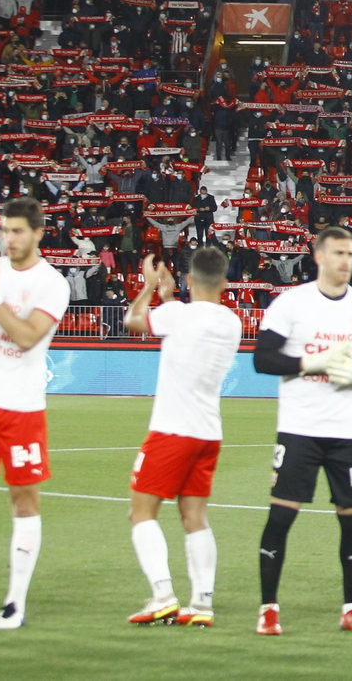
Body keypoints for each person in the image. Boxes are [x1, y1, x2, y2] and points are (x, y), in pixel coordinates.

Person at [251, 225, 352, 637]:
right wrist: (310, 364)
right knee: (281, 516)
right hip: (300, 428)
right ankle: (269, 608)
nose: (346, 261)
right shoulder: (291, 304)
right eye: (337, 253)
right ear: (318, 257)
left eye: (350, 254)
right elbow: (262, 360)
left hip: (348, 431)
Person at [0, 197, 70, 629]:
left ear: (39, 232)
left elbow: (26, 337)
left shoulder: (52, 284)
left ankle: (14, 604)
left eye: (18, 231)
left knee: (23, 500)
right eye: (4, 231)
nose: (9, 239)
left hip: (21, 407)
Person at [122, 248, 241, 627]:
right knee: (195, 517)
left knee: (141, 513)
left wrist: (150, 287)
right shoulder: (231, 321)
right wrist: (169, 299)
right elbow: (183, 325)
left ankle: (162, 596)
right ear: (224, 283)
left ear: (189, 280)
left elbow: (133, 321)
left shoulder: (177, 315)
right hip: (208, 432)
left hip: (172, 429)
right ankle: (201, 604)